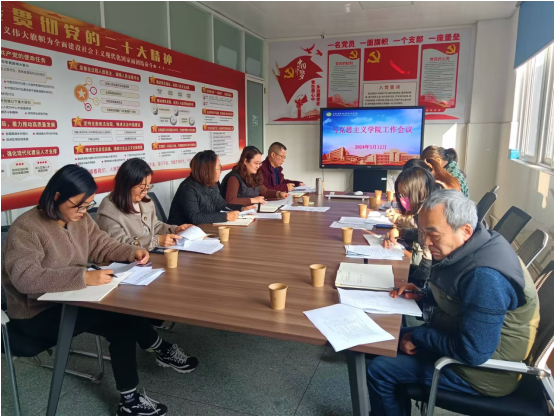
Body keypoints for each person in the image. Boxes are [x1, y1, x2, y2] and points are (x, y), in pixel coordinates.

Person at [1, 165, 199, 416]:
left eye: (88, 205)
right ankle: (150, 365)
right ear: (57, 196)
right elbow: (25, 278)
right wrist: (83, 277)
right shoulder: (27, 228)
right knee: (122, 318)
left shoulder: (80, 219)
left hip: (74, 299)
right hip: (36, 314)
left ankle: (137, 386)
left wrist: (131, 252)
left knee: (124, 314)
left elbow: (102, 245)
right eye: (79, 205)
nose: (84, 211)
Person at [366, 190, 539, 416]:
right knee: (380, 340)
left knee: (380, 370)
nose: (426, 243)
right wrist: (425, 295)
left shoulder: (485, 277)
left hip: (484, 373)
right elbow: (463, 299)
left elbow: (473, 352)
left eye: (433, 235)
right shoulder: (477, 244)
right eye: (422, 233)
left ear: (465, 230)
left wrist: (419, 337)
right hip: (470, 342)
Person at [97, 158, 193, 249]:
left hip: (151, 253)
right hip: (130, 259)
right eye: (141, 187)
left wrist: (174, 229)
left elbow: (155, 225)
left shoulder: (145, 200)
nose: (145, 192)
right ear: (126, 185)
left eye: (148, 187)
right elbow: (118, 244)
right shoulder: (109, 210)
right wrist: (155, 241)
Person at [384, 168, 443, 283]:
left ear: (419, 190)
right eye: (400, 195)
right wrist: (401, 232)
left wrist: (411, 282)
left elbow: (427, 265)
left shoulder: (431, 216)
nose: (402, 199)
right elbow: (420, 234)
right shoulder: (422, 210)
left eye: (405, 194)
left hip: (434, 279)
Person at [168, 150, 253, 225]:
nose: (221, 171)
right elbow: (195, 217)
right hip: (182, 232)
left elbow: (222, 205)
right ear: (208, 171)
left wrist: (242, 208)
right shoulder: (188, 188)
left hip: (205, 228)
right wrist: (225, 216)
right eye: (219, 168)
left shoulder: (212, 183)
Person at [221, 146, 289, 206]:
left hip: (250, 210)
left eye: (259, 163)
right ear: (245, 161)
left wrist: (279, 193)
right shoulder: (234, 178)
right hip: (236, 213)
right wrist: (253, 200)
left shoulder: (255, 174)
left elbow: (265, 192)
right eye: (256, 163)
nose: (258, 166)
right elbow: (230, 200)